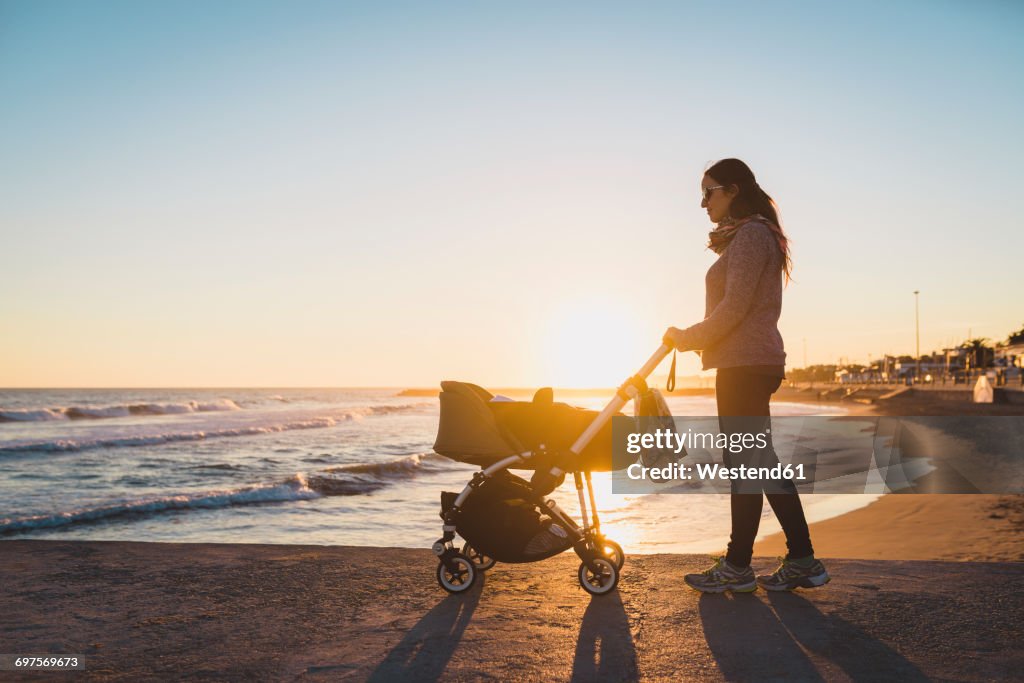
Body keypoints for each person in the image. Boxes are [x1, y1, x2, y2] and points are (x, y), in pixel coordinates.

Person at [663, 158, 829, 593]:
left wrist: (685, 338)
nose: (703, 204)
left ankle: (743, 566)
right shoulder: (749, 236)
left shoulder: (752, 235)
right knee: (757, 463)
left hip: (745, 364)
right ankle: (798, 560)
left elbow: (733, 309)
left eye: (709, 192)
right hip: (747, 363)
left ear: (733, 190)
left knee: (749, 464)